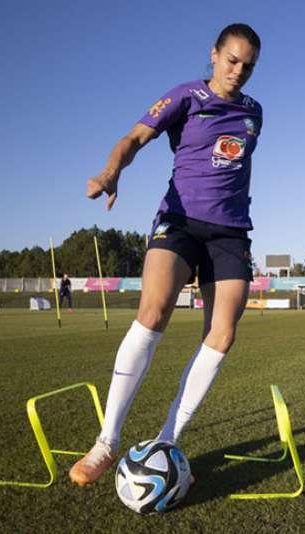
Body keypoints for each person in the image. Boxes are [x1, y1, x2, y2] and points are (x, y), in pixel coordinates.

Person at [70, 23, 263, 487]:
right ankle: (105, 443)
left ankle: (166, 442)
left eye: (248, 66)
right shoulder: (186, 96)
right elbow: (134, 138)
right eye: (232, 60)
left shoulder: (255, 112)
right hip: (179, 222)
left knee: (222, 334)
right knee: (153, 311)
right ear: (215, 54)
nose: (238, 71)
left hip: (230, 232)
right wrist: (111, 171)